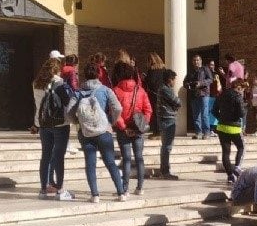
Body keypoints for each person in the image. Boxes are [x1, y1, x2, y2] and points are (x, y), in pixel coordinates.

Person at [77, 63, 126, 203]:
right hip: (104, 131)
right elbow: (118, 107)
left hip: (86, 133)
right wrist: (112, 122)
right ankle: (121, 192)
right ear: (99, 74)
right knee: (110, 162)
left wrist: (79, 122)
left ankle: (95, 195)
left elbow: (68, 112)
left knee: (90, 163)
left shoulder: (79, 91)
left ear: (84, 75)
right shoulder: (105, 90)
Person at [33, 58, 73, 201]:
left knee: (45, 156)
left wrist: (36, 124)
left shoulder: (36, 84)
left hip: (44, 124)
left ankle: (43, 189)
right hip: (60, 125)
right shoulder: (60, 83)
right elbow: (68, 103)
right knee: (58, 157)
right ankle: (60, 190)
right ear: (57, 69)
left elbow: (39, 106)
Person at [113, 63, 153, 197]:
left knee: (126, 159)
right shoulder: (140, 90)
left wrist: (124, 127)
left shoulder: (115, 91)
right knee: (139, 158)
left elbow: (114, 113)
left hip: (122, 129)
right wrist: (141, 125)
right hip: (137, 129)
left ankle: (125, 189)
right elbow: (148, 110)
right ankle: (140, 187)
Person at [213, 79, 247, 183]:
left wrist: (221, 118)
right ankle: (237, 168)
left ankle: (230, 174)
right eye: (242, 89)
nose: (242, 91)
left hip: (222, 127)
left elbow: (213, 110)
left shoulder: (221, 95)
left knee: (226, 152)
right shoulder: (238, 96)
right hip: (235, 128)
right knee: (241, 147)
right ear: (239, 87)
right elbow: (241, 113)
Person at [157, 69, 181, 180]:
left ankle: (164, 169)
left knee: (166, 146)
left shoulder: (165, 89)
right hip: (167, 119)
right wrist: (176, 103)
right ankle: (165, 171)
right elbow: (177, 102)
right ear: (169, 79)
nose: (175, 82)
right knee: (167, 146)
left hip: (166, 118)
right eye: (174, 79)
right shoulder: (166, 89)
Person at [184, 54, 213, 139]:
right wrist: (188, 85)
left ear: (201, 61)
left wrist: (201, 83)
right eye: (194, 60)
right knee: (196, 114)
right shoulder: (190, 71)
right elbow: (185, 82)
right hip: (194, 94)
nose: (196, 62)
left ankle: (206, 132)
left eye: (197, 60)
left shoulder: (205, 69)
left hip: (204, 94)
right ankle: (198, 132)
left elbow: (210, 79)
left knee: (204, 114)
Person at [144, 53, 166, 138]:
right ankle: (162, 132)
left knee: (155, 113)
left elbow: (151, 83)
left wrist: (145, 78)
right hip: (163, 94)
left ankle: (156, 132)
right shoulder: (164, 69)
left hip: (154, 94)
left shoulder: (152, 70)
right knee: (162, 113)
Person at [207, 60, 223, 137]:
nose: (212, 66)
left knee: (214, 112)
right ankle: (209, 129)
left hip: (215, 95)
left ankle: (213, 129)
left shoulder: (216, 74)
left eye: (213, 65)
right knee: (208, 113)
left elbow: (219, 85)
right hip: (208, 95)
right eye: (210, 64)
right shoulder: (206, 74)